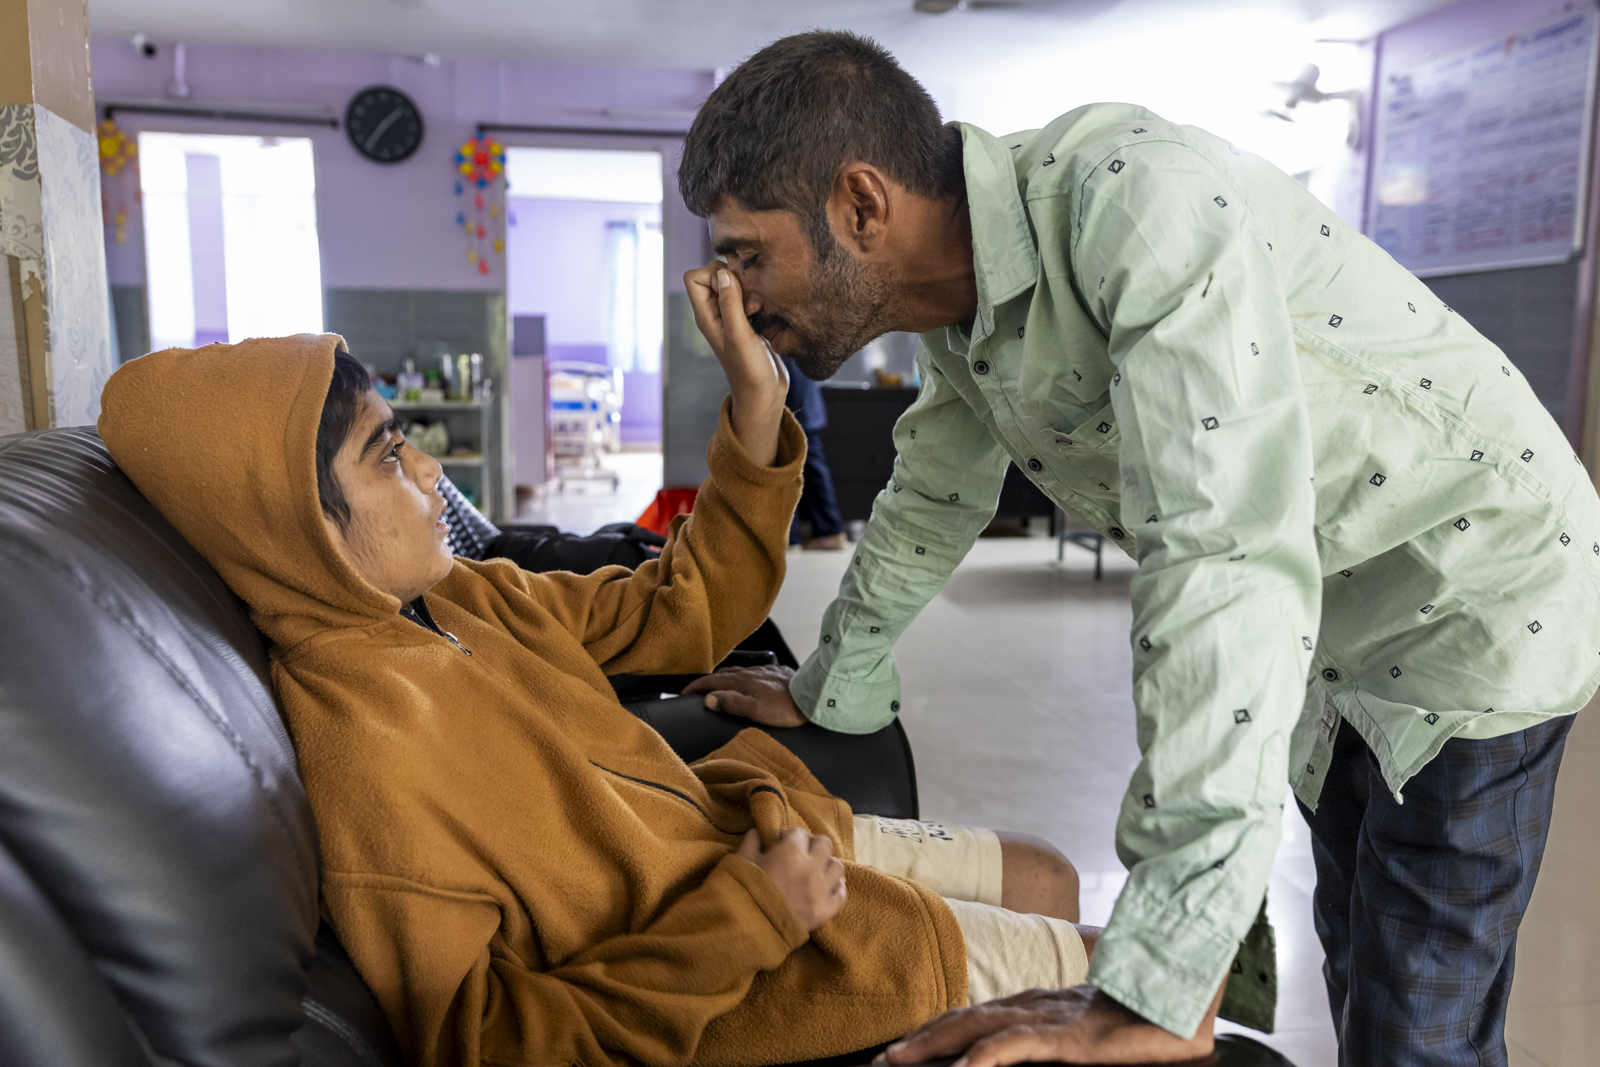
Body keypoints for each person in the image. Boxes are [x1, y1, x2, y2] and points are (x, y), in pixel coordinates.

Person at [674, 30, 1600, 1067]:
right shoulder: (960, 313)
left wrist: (1158, 983)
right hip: (1332, 632)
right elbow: (934, 490)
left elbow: (1221, 559)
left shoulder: (1134, 206)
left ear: (860, 205)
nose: (736, 296)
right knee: (1366, 959)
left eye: (747, 254)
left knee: (1418, 1016)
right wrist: (833, 681)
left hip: (1471, 589)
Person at [95, 266, 1097, 1067]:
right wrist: (747, 915)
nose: (433, 472)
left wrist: (755, 401)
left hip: (754, 837)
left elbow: (682, 608)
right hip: (772, 963)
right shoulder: (368, 762)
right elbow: (490, 1042)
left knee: (1048, 870)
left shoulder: (459, 597)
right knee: (1141, 977)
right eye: (389, 456)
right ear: (301, 528)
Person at [783, 354, 847, 549]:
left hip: (794, 412)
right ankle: (830, 531)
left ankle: (789, 538)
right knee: (813, 471)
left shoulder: (777, 338)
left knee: (786, 470)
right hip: (807, 411)